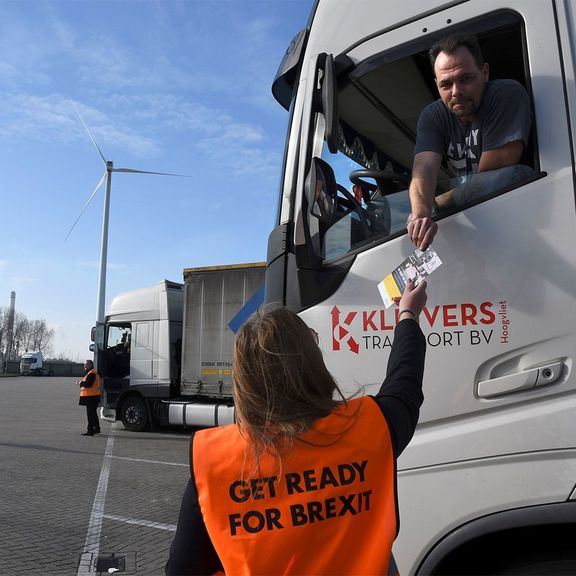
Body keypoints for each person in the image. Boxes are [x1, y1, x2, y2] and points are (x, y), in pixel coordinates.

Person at [166, 279, 428, 575]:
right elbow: (405, 382)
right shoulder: (370, 425)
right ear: (311, 362)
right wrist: (408, 315)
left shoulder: (213, 459)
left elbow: (181, 570)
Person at [408, 33, 533, 250]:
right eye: (446, 84)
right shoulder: (433, 115)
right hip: (483, 223)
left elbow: (489, 180)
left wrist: (436, 205)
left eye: (465, 79)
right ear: (436, 85)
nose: (456, 92)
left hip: (523, 216)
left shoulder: (505, 95)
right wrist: (420, 215)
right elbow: (424, 169)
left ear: (484, 72)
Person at [77, 359, 101, 436]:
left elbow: (88, 384)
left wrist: (80, 383)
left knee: (90, 414)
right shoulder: (92, 372)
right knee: (93, 413)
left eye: (86, 364)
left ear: (90, 365)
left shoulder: (91, 373)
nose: (84, 366)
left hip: (91, 396)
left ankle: (90, 431)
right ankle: (97, 428)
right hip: (94, 396)